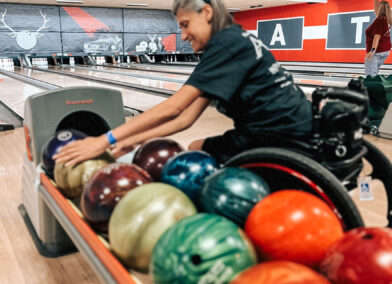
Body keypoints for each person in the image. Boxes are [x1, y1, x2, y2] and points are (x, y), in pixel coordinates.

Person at [54, 0, 312, 167]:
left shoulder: (225, 44)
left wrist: (104, 140)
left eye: (186, 25)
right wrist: (133, 140)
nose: (184, 35)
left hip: (277, 137)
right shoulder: (234, 39)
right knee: (195, 146)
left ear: (207, 12)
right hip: (292, 128)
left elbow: (174, 108)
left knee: (195, 153)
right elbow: (185, 120)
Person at [365, 0, 392, 76]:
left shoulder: (379, 21)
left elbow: (377, 37)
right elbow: (376, 11)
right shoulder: (387, 20)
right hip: (385, 51)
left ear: (380, 8)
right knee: (374, 71)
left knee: (370, 75)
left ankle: (370, 87)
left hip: (377, 51)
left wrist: (372, 51)